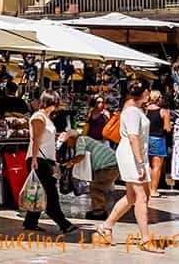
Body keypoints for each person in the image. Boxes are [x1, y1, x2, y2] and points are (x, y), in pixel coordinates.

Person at [95, 80, 159, 253]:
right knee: (141, 197)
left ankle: (106, 227)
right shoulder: (131, 111)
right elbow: (133, 137)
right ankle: (145, 239)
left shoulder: (136, 109)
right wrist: (139, 163)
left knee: (134, 196)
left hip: (137, 155)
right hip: (131, 155)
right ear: (145, 92)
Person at [23, 90, 77, 236]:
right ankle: (62, 222)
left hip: (45, 158)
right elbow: (35, 139)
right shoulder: (38, 118)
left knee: (38, 191)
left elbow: (44, 138)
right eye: (55, 105)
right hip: (39, 159)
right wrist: (34, 159)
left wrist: (60, 137)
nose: (56, 108)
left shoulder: (46, 118)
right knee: (50, 192)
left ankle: (30, 221)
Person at [60, 129, 120, 219]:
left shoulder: (80, 140)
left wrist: (70, 163)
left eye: (67, 141)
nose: (67, 145)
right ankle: (99, 209)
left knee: (96, 187)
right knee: (100, 187)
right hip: (111, 165)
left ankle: (99, 211)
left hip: (109, 166)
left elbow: (80, 155)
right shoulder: (85, 139)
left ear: (71, 139)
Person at [144, 90, 172, 198]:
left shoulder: (145, 110)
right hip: (158, 139)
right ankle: (153, 190)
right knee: (157, 167)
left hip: (147, 139)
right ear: (157, 98)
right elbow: (167, 128)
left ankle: (148, 188)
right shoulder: (163, 111)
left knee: (149, 166)